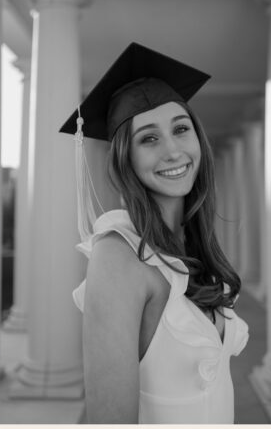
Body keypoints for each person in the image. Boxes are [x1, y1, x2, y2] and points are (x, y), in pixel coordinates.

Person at [61, 42, 249, 425]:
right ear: (125, 157)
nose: (172, 150)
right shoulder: (118, 258)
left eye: (181, 129)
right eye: (148, 138)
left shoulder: (190, 246)